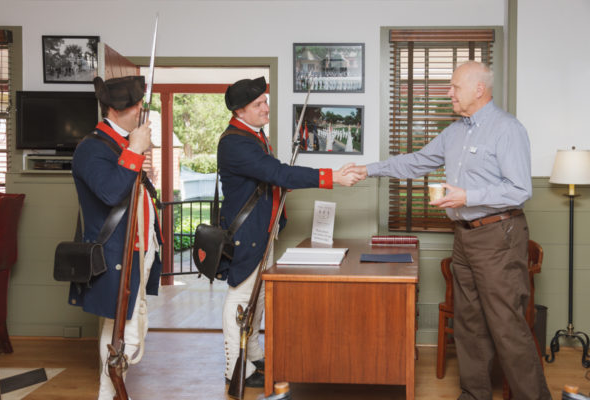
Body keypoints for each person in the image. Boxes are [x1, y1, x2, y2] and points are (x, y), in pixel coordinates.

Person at [349, 61, 551, 400]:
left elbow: (520, 190)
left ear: (478, 89)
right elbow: (417, 160)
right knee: (468, 322)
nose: (448, 93)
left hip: (498, 236)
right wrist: (368, 169)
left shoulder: (507, 129)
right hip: (464, 236)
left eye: (454, 87)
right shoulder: (456, 131)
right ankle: (474, 395)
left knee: (506, 326)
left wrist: (467, 195)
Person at [218, 76, 360, 388]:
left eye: (265, 101)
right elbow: (276, 172)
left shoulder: (254, 136)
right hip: (247, 231)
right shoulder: (234, 142)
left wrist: (284, 185)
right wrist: (331, 176)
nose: (266, 108)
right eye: (259, 105)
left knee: (258, 295)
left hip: (263, 229)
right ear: (240, 111)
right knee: (241, 296)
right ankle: (234, 371)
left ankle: (253, 355)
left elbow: (271, 178)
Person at [69, 75, 162, 400]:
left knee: (126, 325)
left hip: (137, 247)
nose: (140, 110)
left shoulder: (119, 143)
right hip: (116, 252)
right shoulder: (92, 148)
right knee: (122, 331)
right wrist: (135, 150)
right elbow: (110, 192)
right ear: (117, 108)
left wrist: (138, 160)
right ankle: (108, 394)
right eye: (136, 104)